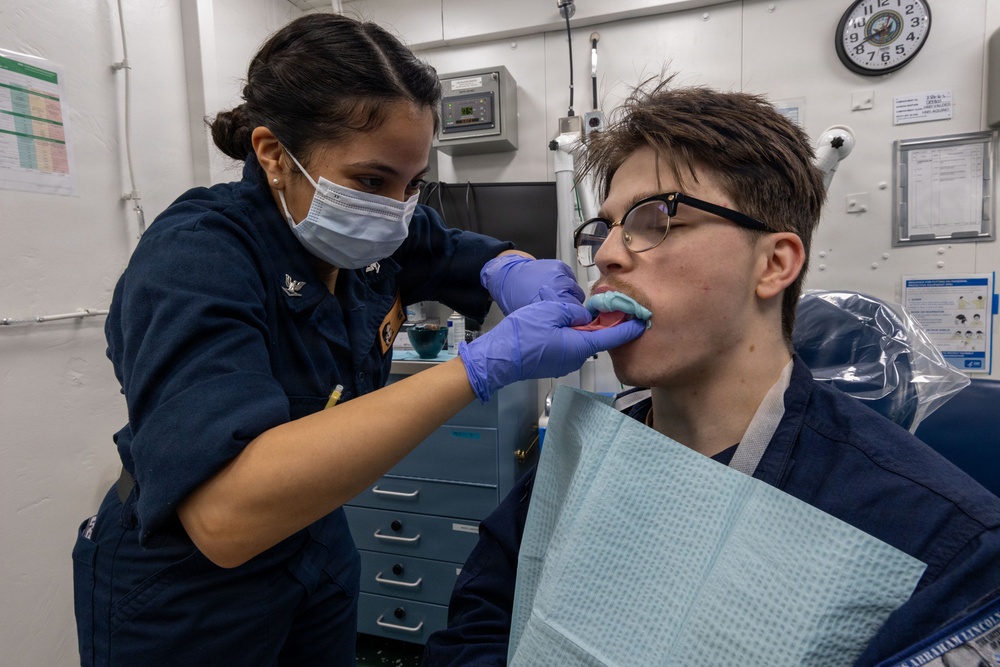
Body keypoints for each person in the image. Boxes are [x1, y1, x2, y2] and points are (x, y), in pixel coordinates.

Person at [71, 13, 644, 667]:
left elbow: (446, 246)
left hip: (313, 540)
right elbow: (225, 518)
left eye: (413, 183)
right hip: (186, 586)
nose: (397, 208)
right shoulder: (196, 258)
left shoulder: (374, 229)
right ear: (272, 154)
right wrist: (478, 367)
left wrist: (511, 266)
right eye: (373, 182)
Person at [423, 80, 1000, 666]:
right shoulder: (582, 453)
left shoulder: (941, 542)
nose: (605, 256)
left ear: (775, 264)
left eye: (655, 218)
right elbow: (481, 621)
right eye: (604, 229)